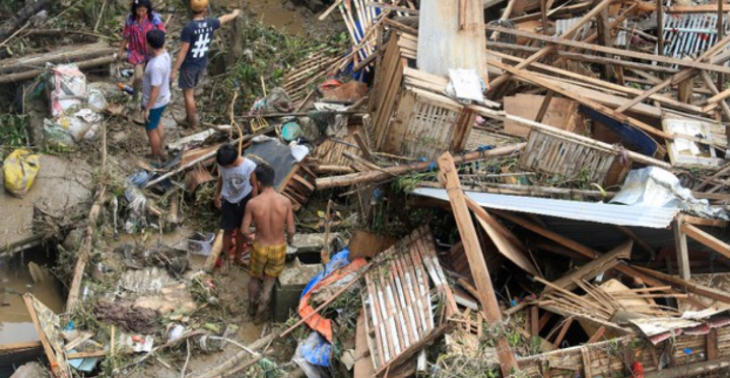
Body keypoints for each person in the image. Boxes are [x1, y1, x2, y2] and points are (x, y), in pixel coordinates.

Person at [171, 0, 241, 128]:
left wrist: (174, 70)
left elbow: (183, 51)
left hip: (189, 65)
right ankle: (189, 118)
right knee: (191, 92)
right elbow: (224, 18)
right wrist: (235, 13)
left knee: (188, 95)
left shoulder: (189, 28)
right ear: (204, 10)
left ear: (192, 9)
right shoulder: (210, 23)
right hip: (201, 64)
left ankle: (192, 123)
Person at [241, 164, 295, 323]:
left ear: (258, 183)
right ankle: (260, 315)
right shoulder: (285, 202)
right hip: (278, 247)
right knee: (269, 284)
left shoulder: (253, 203)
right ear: (273, 180)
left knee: (255, 279)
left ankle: (251, 307)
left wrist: (251, 237)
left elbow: (244, 230)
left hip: (260, 246)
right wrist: (290, 241)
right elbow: (291, 229)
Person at [117, 0, 166, 115]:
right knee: (138, 77)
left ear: (147, 9)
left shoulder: (153, 18)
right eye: (138, 10)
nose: (140, 13)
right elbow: (126, 36)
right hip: (136, 51)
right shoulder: (130, 18)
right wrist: (120, 51)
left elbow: (162, 33)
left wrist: (162, 50)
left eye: (143, 10)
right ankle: (135, 98)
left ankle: (148, 102)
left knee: (149, 78)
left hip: (151, 51)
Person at [215, 144, 258, 271]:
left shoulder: (249, 166)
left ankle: (238, 257)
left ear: (232, 162)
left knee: (241, 231)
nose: (223, 168)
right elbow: (221, 179)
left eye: (225, 166)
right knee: (227, 230)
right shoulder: (223, 164)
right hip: (228, 201)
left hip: (245, 200)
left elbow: (255, 185)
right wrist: (217, 195)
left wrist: (253, 204)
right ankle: (227, 258)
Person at [141, 29, 171, 159]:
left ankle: (155, 156)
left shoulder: (156, 66)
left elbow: (155, 89)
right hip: (163, 99)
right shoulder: (165, 54)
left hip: (155, 102)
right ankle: (161, 150)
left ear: (148, 44)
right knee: (157, 123)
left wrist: (148, 108)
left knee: (151, 130)